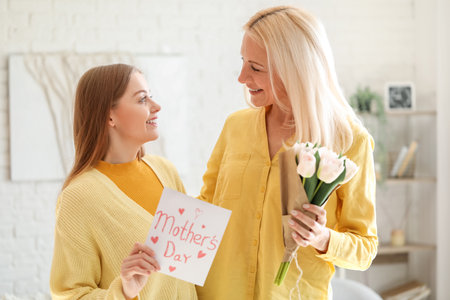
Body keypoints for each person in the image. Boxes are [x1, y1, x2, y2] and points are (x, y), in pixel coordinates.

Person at [196, 6, 377, 300]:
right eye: (243, 62)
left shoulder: (349, 141)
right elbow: (205, 207)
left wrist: (322, 238)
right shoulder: (235, 127)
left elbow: (365, 248)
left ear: (295, 71)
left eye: (255, 67)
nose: (242, 77)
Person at [50, 64, 197, 299]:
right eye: (142, 100)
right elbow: (70, 294)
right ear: (109, 115)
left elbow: (191, 268)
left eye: (152, 97)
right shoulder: (79, 197)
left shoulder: (165, 171)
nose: (156, 107)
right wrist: (125, 291)